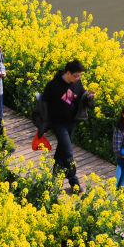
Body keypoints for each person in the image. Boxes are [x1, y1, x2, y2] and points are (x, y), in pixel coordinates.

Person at [40, 60, 95, 193]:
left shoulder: (77, 83)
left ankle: (53, 177)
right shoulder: (53, 85)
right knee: (68, 152)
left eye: (80, 76)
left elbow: (82, 97)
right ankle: (74, 182)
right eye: (76, 76)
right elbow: (42, 102)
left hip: (72, 121)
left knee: (62, 150)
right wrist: (42, 123)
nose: (78, 78)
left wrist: (88, 99)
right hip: (58, 123)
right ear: (68, 73)